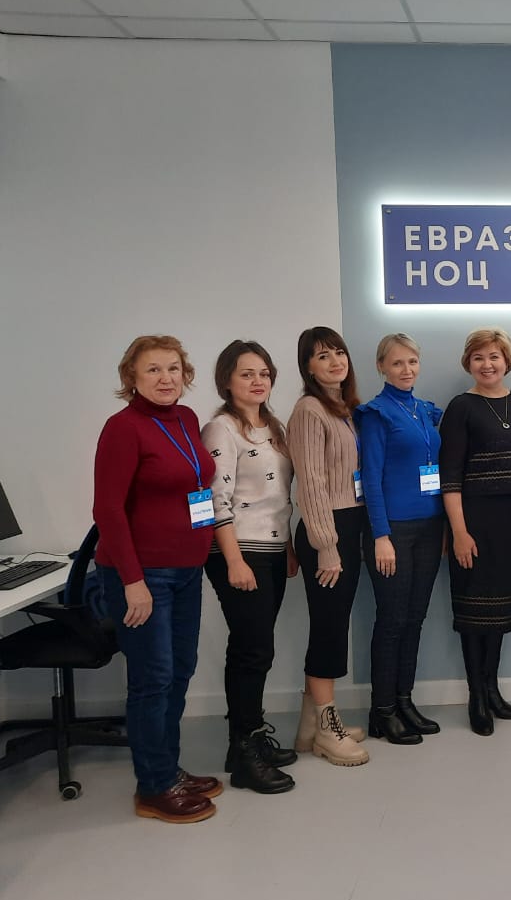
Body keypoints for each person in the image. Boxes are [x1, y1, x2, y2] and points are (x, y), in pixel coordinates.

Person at [93, 335, 221, 823]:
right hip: (144, 576)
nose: (165, 378)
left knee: (180, 671)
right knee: (153, 679)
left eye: (173, 368)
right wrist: (132, 581)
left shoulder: (185, 419)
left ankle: (168, 770)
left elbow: (195, 483)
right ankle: (153, 787)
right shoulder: (123, 428)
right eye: (153, 370)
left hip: (187, 570)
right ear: (132, 378)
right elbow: (107, 509)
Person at [201, 341, 298, 794]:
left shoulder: (273, 427)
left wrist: (289, 546)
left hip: (273, 549)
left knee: (258, 648)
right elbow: (213, 499)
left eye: (264, 373)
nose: (258, 381)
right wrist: (235, 560)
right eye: (247, 374)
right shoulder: (220, 429)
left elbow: (280, 496)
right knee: (251, 650)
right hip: (238, 551)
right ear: (227, 380)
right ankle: (244, 756)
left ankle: (251, 738)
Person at [439, 328, 511, 736]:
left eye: (494, 356)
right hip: (473, 522)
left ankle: (493, 690)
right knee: (474, 613)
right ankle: (476, 696)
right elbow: (450, 477)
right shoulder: (461, 407)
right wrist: (459, 532)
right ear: (468, 363)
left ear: (506, 360)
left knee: (499, 611)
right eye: (478, 357)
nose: (487, 364)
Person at [357, 333, 445, 745]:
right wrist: (381, 535)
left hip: (429, 528)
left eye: (412, 362)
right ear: (381, 367)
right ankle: (382, 711)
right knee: (391, 620)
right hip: (393, 531)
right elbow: (370, 479)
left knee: (415, 618)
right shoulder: (376, 414)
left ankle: (405, 701)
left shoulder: (423, 410)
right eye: (397, 363)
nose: (406, 370)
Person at [287, 326, 369, 767]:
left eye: (339, 352)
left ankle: (308, 727)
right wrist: (326, 545)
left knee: (331, 623)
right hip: (328, 530)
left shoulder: (344, 410)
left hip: (348, 524)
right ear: (308, 367)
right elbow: (312, 483)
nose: (335, 361)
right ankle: (326, 728)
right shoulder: (309, 410)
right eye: (322, 356)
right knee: (329, 628)